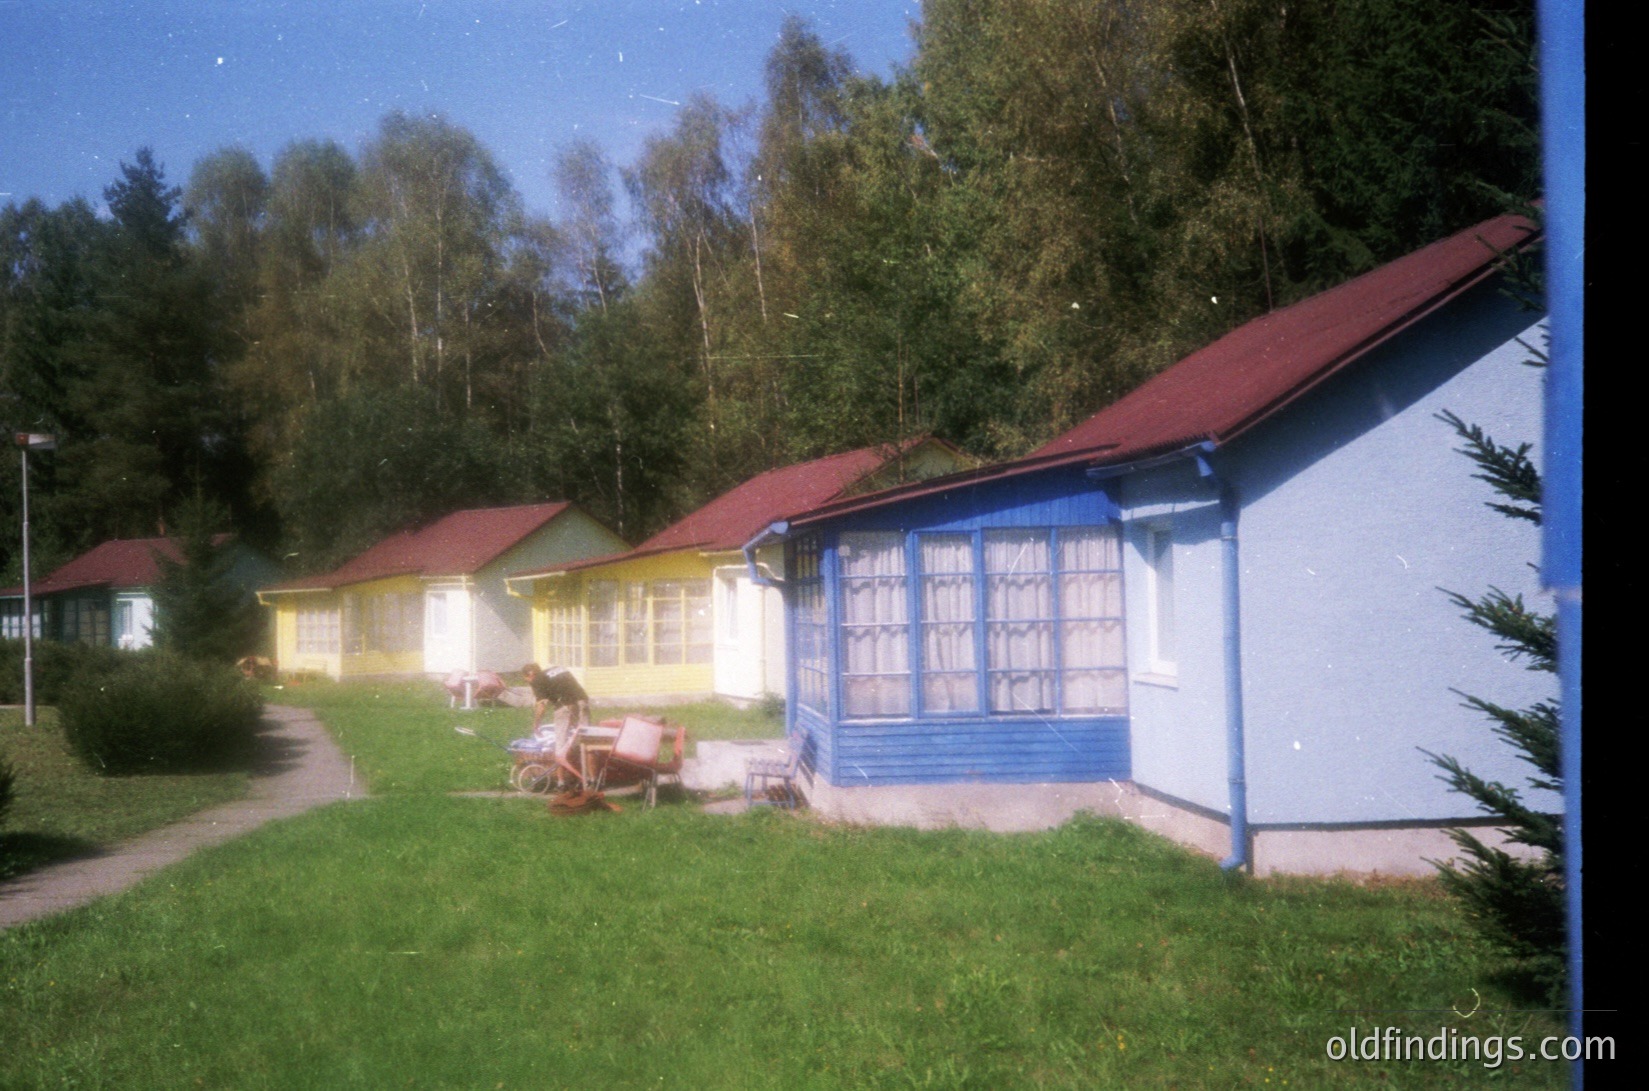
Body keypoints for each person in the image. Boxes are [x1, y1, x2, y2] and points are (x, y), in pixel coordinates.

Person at [522, 662, 589, 754]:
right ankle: (584, 762)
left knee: (561, 742)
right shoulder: (558, 668)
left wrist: (536, 725)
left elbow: (541, 706)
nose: (529, 683)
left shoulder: (537, 680)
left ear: (530, 675)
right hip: (583, 700)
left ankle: (562, 766)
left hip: (565, 705)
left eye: (527, 680)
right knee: (584, 737)